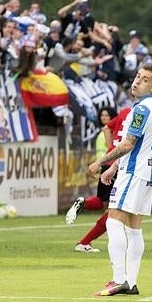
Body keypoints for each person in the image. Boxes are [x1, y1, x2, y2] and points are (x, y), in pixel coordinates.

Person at [87, 66, 152, 296]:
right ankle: (131, 281)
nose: (137, 81)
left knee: (113, 221)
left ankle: (119, 278)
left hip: (134, 172)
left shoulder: (141, 110)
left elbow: (128, 144)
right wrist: (114, 167)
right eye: (138, 77)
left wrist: (100, 162)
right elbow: (137, 145)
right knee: (133, 227)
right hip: (144, 172)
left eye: (145, 79)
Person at [65, 105, 120, 253]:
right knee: (116, 211)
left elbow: (107, 129)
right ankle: (85, 242)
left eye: (107, 115)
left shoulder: (118, 120)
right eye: (102, 115)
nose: (104, 118)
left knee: (101, 201)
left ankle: (83, 203)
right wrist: (113, 155)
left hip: (105, 166)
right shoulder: (136, 115)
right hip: (117, 166)